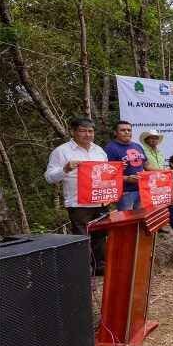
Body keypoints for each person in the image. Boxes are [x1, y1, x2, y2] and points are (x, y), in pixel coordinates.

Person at [44, 117, 109, 276]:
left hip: (100, 201)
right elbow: (49, 177)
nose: (87, 134)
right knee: (81, 238)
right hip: (78, 203)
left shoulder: (99, 151)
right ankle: (82, 271)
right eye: (82, 130)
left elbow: (106, 174)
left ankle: (99, 267)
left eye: (90, 131)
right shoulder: (62, 151)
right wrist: (65, 169)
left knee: (100, 236)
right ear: (73, 132)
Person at [104, 120, 148, 211]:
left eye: (129, 130)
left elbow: (146, 164)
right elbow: (107, 173)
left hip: (142, 189)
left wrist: (161, 171)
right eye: (123, 130)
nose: (127, 132)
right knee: (127, 221)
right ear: (115, 132)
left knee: (141, 218)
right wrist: (127, 178)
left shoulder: (137, 146)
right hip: (125, 192)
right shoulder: (110, 148)